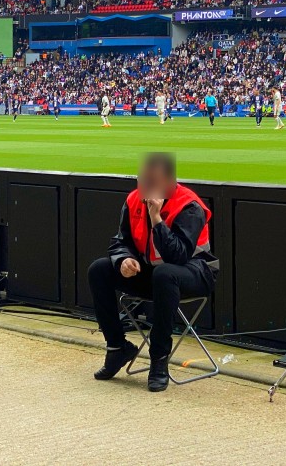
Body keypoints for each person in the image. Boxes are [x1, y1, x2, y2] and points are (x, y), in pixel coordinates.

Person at [87, 153, 217, 392]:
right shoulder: (133, 200)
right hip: (151, 272)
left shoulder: (189, 206)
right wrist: (123, 259)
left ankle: (159, 360)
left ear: (170, 182)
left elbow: (178, 255)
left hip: (195, 272)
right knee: (100, 269)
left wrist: (156, 219)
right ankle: (117, 348)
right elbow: (120, 240)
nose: (145, 187)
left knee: (165, 274)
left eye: (152, 182)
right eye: (142, 180)